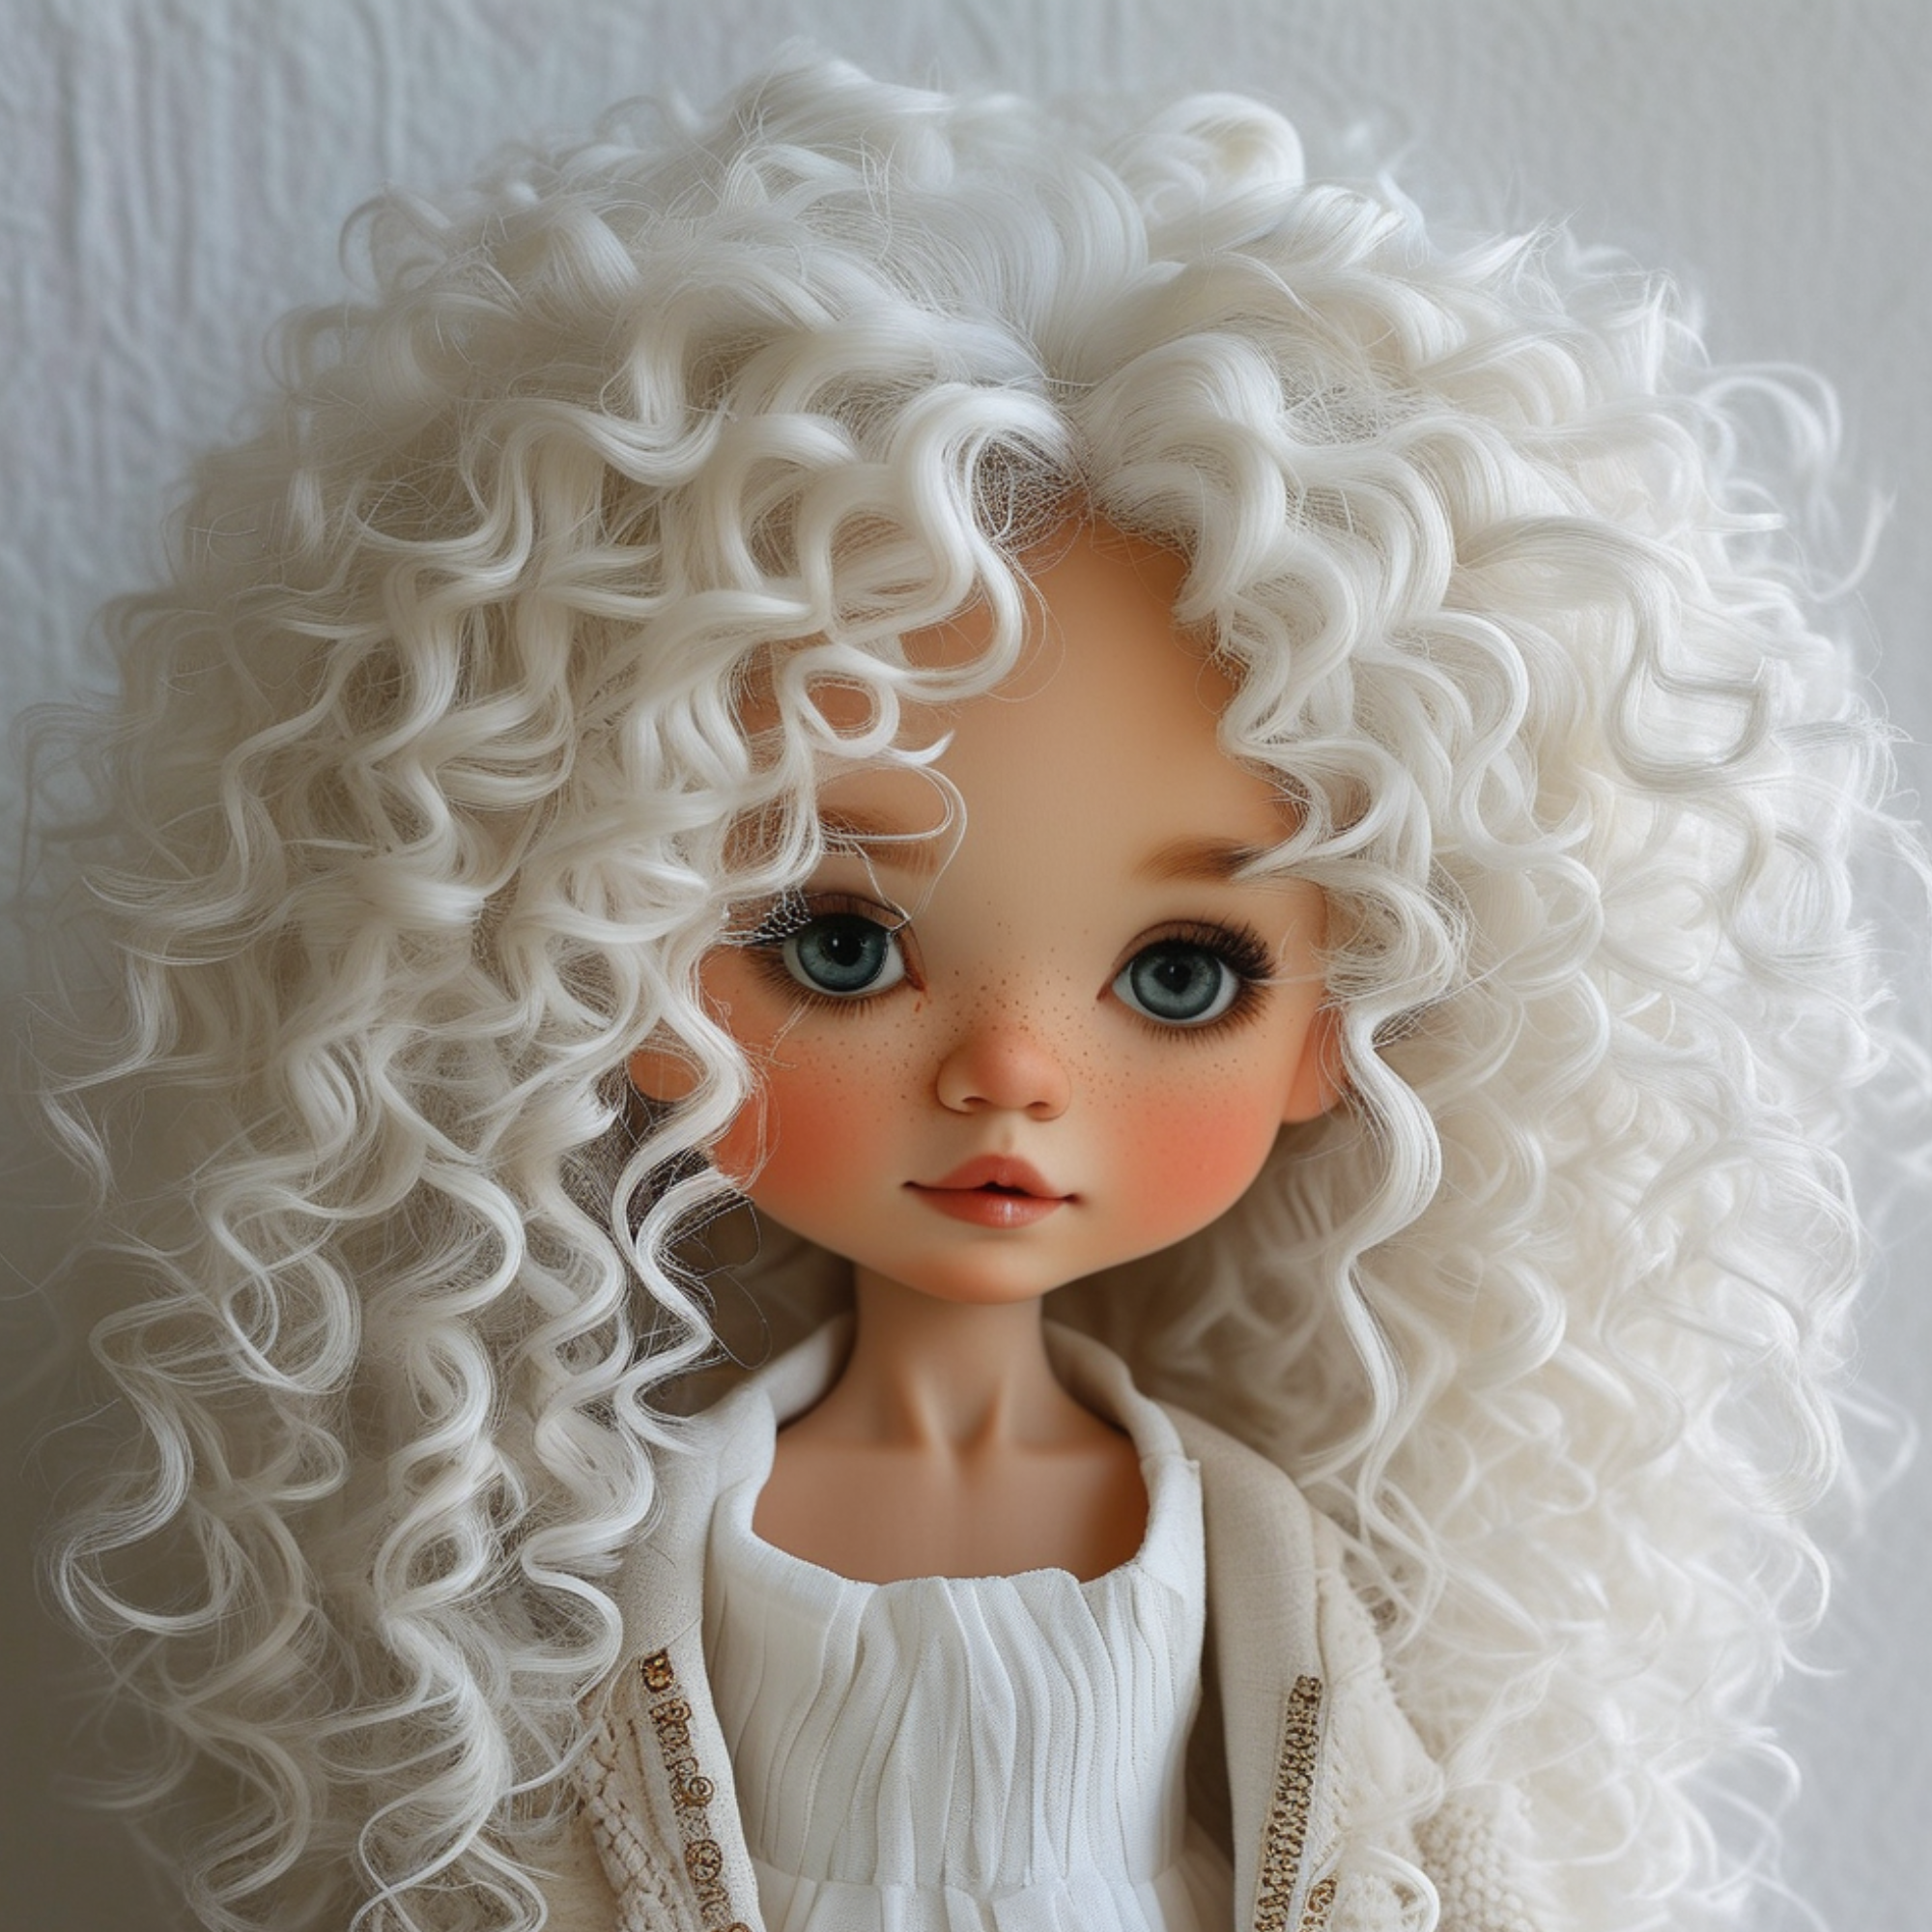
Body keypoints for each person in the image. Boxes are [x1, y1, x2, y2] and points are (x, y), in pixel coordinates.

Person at [30, 54, 1918, 1932]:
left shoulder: (1251, 1549)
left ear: (1343, 1030)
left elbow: (1404, 1855)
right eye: (838, 945)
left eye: (1180, 973)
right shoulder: (637, 1557)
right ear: (608, 963)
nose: (1011, 1072)